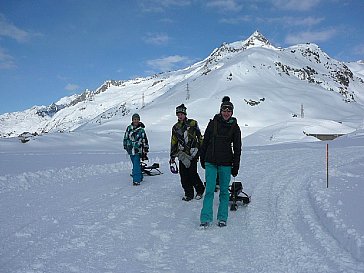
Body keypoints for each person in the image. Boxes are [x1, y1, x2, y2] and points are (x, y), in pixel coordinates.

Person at [199, 96, 242, 227]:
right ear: (220, 110)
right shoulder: (213, 123)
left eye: (229, 110)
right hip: (211, 161)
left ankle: (222, 217)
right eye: (224, 109)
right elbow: (205, 141)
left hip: (226, 163)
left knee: (224, 191)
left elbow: (237, 148)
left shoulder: (235, 127)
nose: (226, 112)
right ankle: (205, 218)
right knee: (210, 190)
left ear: (232, 112)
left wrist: (236, 165)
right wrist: (202, 157)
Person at [170, 104, 205, 201]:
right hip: (182, 154)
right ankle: (188, 193)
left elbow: (199, 136)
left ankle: (200, 190)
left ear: (185, 114)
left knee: (192, 173)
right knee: (183, 175)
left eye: (181, 114)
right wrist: (172, 155)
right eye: (178, 114)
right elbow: (174, 141)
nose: (180, 116)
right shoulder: (175, 127)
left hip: (193, 152)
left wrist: (202, 149)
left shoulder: (193, 123)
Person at [123, 113, 149, 186]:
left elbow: (145, 139)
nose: (136, 121)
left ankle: (136, 180)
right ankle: (140, 176)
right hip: (130, 149)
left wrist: (146, 148)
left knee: (136, 164)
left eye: (137, 119)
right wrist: (125, 145)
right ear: (132, 120)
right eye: (134, 119)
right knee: (134, 163)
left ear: (139, 120)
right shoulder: (129, 128)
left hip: (138, 149)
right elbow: (126, 137)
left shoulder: (141, 130)